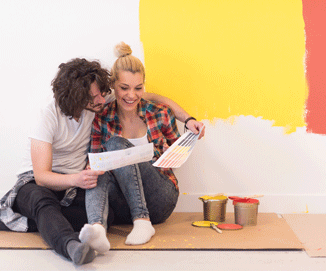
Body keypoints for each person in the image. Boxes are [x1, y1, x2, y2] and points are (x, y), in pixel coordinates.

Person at [0, 57, 203, 265]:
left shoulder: (103, 104)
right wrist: (78, 178)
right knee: (47, 201)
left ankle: (36, 222)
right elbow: (42, 177)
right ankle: (74, 245)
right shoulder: (52, 116)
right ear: (76, 98)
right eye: (92, 97)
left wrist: (188, 120)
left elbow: (154, 98)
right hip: (38, 182)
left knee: (110, 198)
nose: (100, 100)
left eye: (101, 94)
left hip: (94, 188)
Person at [78, 42, 205, 254]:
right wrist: (93, 168)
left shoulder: (159, 113)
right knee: (97, 167)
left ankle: (143, 221)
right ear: (114, 87)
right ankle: (98, 229)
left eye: (138, 88)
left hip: (159, 198)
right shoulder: (102, 117)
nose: (131, 95)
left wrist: (190, 133)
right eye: (124, 88)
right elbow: (94, 162)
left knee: (117, 145)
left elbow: (179, 153)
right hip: (121, 203)